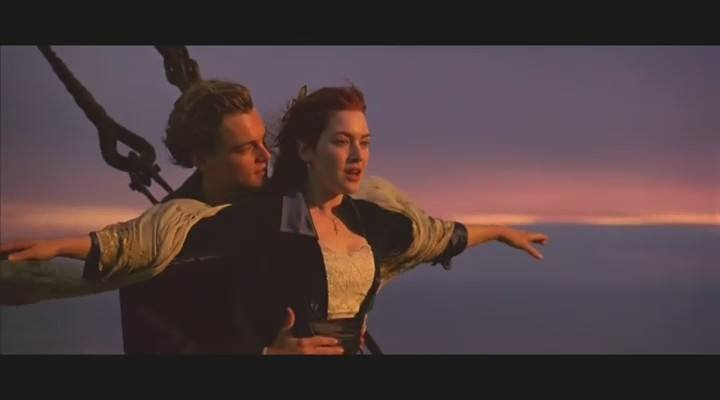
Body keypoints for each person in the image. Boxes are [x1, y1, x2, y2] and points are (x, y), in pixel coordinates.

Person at [1, 83, 548, 354]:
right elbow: (166, 333)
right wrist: (265, 354)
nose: (266, 156)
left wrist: (497, 230)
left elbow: (425, 234)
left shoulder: (303, 207)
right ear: (201, 158)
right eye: (246, 149)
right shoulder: (175, 249)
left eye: (265, 141)